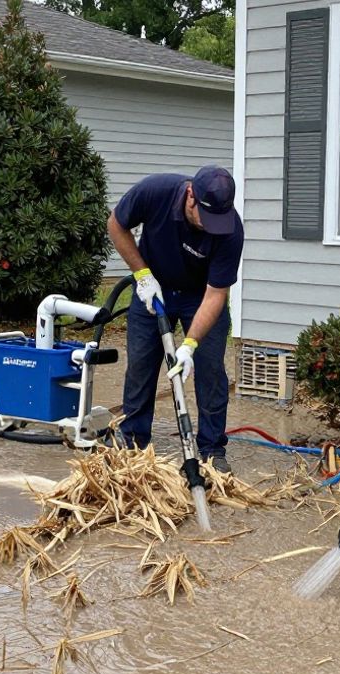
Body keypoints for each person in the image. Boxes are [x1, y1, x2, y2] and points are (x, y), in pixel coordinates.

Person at [108, 165, 244, 474]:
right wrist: (142, 275)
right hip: (153, 286)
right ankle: (133, 443)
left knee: (210, 369)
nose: (210, 227)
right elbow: (116, 224)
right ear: (190, 195)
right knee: (141, 363)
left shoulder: (230, 230)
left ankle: (211, 451)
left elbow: (216, 295)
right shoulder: (155, 192)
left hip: (201, 296)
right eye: (205, 218)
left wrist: (189, 345)